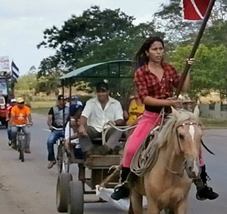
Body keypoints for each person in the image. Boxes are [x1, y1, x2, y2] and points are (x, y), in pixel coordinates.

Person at [111, 36, 218, 201]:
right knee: (131, 148)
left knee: (193, 144)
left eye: (161, 49)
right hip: (150, 116)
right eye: (155, 49)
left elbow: (183, 86)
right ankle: (125, 183)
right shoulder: (141, 72)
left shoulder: (169, 69)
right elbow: (144, 98)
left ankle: (201, 184)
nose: (159, 52)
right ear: (147, 52)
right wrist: (166, 101)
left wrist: (187, 70)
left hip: (171, 116)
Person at [78, 81, 125, 155]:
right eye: (99, 92)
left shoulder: (116, 103)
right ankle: (89, 152)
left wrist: (114, 122)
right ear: (96, 93)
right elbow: (84, 115)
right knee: (82, 130)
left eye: (103, 91)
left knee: (118, 130)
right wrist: (81, 126)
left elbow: (120, 119)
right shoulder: (90, 102)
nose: (101, 94)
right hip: (94, 128)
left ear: (107, 92)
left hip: (108, 128)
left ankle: (105, 149)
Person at [47, 95, 69, 169]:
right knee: (49, 142)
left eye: (65, 100)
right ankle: (52, 159)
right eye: (62, 100)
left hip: (65, 129)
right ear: (59, 100)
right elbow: (49, 119)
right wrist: (50, 125)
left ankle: (69, 155)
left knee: (70, 141)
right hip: (56, 129)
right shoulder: (53, 109)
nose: (64, 102)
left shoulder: (68, 109)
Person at [65, 104, 86, 182]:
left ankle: (82, 180)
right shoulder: (73, 122)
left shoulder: (76, 121)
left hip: (78, 145)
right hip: (75, 146)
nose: (82, 113)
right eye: (80, 111)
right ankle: (81, 180)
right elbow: (80, 133)